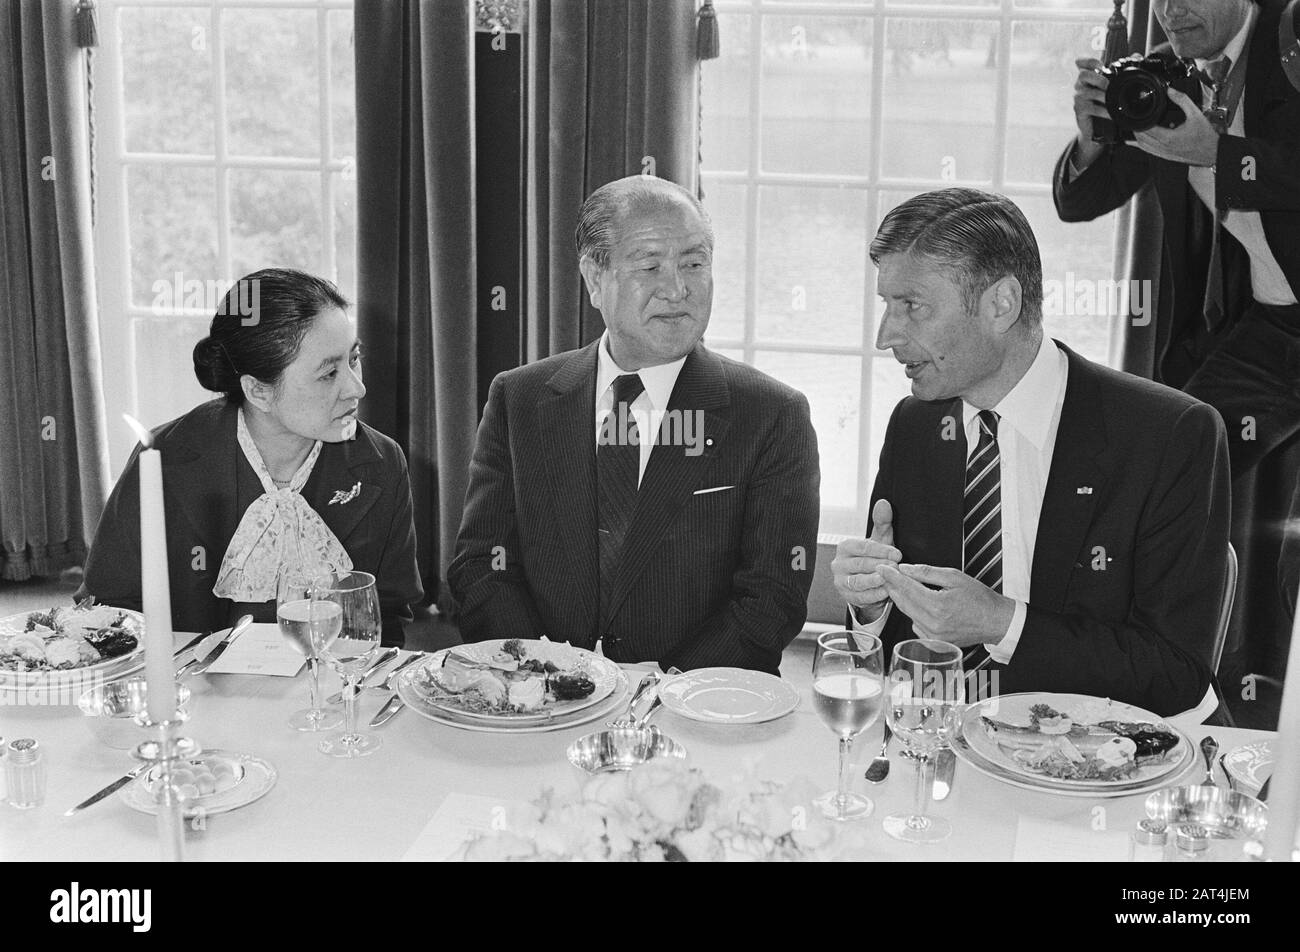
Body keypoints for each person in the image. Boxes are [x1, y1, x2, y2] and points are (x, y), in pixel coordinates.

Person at [832, 188, 1231, 716]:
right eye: (888, 305)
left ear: (1002, 304)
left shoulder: (1171, 434)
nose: (885, 336)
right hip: (957, 746)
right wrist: (872, 605)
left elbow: (1175, 671)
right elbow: (909, 652)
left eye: (913, 306)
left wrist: (1002, 623)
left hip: (1117, 757)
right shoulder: (917, 426)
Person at [448, 175, 820, 674]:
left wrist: (661, 692)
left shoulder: (772, 415)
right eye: (650, 266)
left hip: (695, 712)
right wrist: (543, 672)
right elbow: (482, 566)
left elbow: (772, 598)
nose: (677, 288)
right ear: (594, 279)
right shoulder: (520, 398)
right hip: (542, 702)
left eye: (694, 263)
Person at [80, 268, 422, 646]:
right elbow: (108, 610)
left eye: (353, 359)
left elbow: (386, 616)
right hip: (198, 693)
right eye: (329, 373)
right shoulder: (164, 458)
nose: (357, 387)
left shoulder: (381, 463)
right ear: (258, 391)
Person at [1056, 0, 1300, 480]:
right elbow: (1079, 202)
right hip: (1276, 325)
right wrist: (1092, 138)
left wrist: (1216, 153)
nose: (1170, 10)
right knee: (1165, 472)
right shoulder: (1164, 76)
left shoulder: (1290, 38)